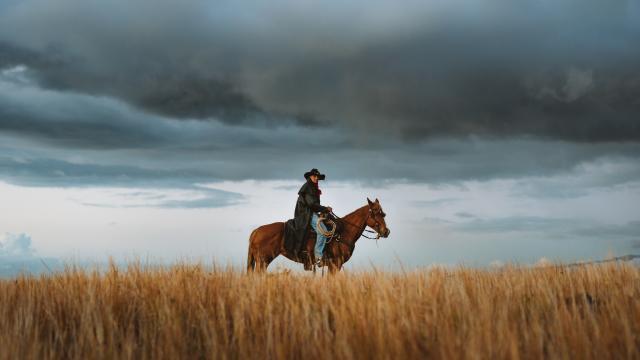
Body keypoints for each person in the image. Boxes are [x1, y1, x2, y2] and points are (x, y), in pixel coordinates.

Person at [288, 168, 333, 265]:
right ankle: (318, 257)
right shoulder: (308, 187)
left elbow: (313, 206)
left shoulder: (312, 187)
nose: (316, 178)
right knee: (323, 231)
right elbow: (311, 204)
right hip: (306, 214)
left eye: (318, 177)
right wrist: (325, 209)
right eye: (314, 176)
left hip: (310, 213)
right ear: (310, 176)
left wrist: (321, 212)